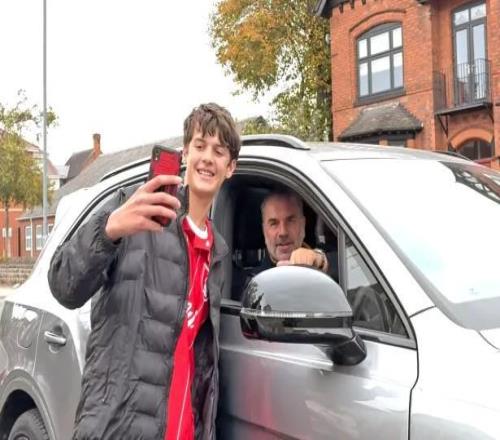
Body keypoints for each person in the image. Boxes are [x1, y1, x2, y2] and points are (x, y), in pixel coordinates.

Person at [48, 103, 240, 440]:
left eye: (219, 151)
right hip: (118, 429)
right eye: (200, 145)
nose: (208, 158)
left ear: (230, 167)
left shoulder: (218, 254)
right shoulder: (133, 213)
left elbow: (200, 365)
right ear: (185, 153)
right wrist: (109, 229)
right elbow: (64, 284)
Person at [255, 188, 329, 274]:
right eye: (274, 223)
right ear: (264, 230)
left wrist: (320, 261)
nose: (283, 232)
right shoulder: (253, 280)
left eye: (290, 221)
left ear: (302, 225)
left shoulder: (325, 258)